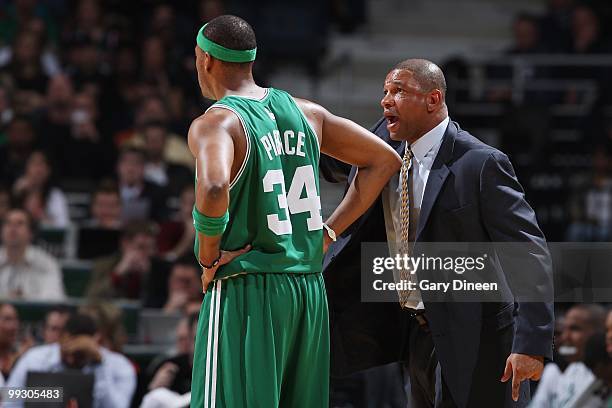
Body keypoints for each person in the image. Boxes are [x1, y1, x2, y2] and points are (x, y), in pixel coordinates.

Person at [188, 15, 400, 408]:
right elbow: (384, 159)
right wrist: (329, 232)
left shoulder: (217, 122)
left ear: (206, 61)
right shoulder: (306, 112)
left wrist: (207, 254)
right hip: (307, 289)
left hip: (249, 286)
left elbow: (214, 187)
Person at [322, 59, 554, 407]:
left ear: (433, 99)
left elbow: (529, 251)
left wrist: (531, 343)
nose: (386, 100)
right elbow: (331, 161)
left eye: (398, 91)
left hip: (479, 335)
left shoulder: (480, 163)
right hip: (413, 330)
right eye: (384, 91)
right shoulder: (385, 146)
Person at [7, 312, 136, 408]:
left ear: (96, 340)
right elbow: (8, 398)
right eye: (69, 351)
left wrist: (99, 365)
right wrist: (56, 395)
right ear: (62, 337)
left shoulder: (119, 365)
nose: (72, 358)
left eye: (80, 354)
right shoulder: (35, 358)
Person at [0, 208, 66, 300]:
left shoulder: (47, 263)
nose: (12, 228)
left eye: (20, 223)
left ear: (31, 233)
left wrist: (24, 299)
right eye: (8, 223)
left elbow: (53, 300)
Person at [12, 150, 70, 228]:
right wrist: (15, 194)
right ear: (26, 168)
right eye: (34, 164)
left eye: (41, 164)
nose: (37, 169)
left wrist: (42, 217)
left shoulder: (55, 195)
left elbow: (63, 225)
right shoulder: (17, 191)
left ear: (48, 171)